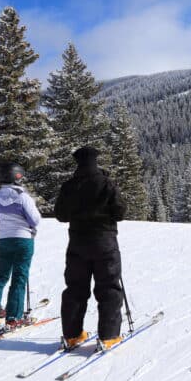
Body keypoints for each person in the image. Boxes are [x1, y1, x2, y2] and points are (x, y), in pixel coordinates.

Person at [55, 146, 127, 351]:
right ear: (96, 161)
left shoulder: (69, 186)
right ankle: (109, 335)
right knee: (108, 288)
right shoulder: (106, 183)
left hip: (77, 243)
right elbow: (120, 212)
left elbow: (61, 215)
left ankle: (72, 335)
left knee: (75, 289)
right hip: (104, 242)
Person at [0, 162, 42, 331]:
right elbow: (35, 219)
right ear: (17, 176)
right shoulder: (22, 196)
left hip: (4, 239)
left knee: (1, 274)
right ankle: (13, 317)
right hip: (23, 239)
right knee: (19, 277)